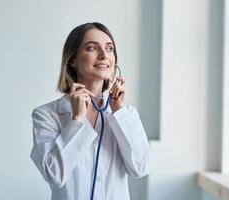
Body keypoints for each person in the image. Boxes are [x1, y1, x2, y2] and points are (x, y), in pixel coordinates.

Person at [30, 22, 151, 200]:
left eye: (109, 49)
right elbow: (54, 174)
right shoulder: (46, 115)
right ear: (73, 60)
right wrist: (77, 120)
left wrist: (119, 114)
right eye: (92, 48)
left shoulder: (127, 114)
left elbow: (140, 168)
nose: (104, 55)